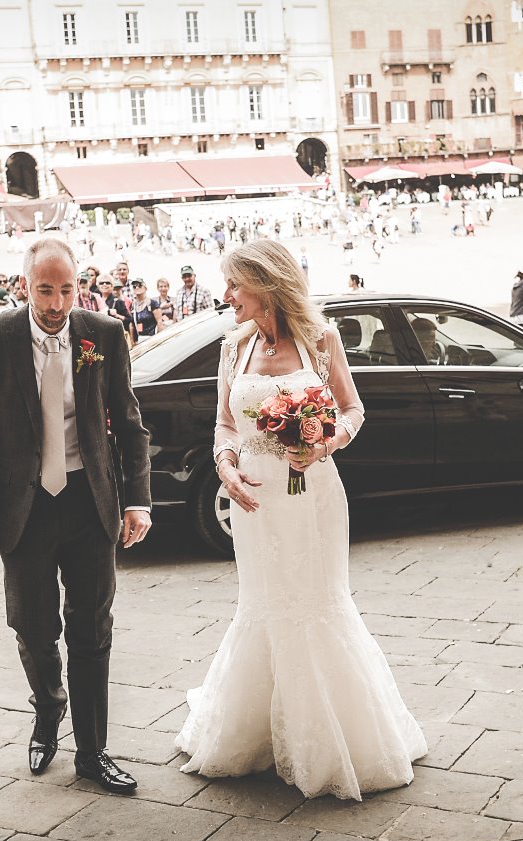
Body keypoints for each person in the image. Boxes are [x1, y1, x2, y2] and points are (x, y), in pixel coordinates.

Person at [177, 240, 426, 800]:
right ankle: (257, 728)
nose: (226, 296)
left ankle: (332, 734)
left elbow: (354, 410)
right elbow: (224, 425)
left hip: (312, 494)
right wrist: (226, 469)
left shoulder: (321, 341)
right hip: (255, 503)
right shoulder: (232, 348)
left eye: (234, 285)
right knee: (261, 602)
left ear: (266, 285)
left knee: (314, 600)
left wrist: (323, 444)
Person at [0, 236, 153, 795]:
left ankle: (92, 752)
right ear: (24, 285)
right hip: (24, 508)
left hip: (90, 503)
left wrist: (136, 501)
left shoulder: (103, 335)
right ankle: (48, 708)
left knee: (93, 631)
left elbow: (129, 424)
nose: (58, 303)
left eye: (67, 290)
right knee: (33, 628)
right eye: (45, 290)